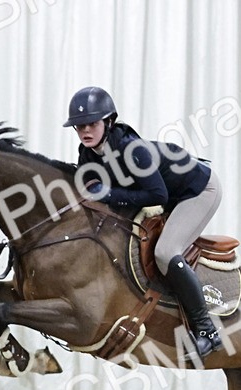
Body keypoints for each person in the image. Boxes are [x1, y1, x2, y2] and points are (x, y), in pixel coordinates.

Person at [63, 86, 223, 358]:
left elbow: (157, 197)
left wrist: (108, 194)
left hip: (198, 190)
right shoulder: (87, 153)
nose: (85, 131)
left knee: (165, 252)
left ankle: (206, 330)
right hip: (170, 191)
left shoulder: (132, 149)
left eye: (92, 124)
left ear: (108, 122)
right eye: (79, 126)